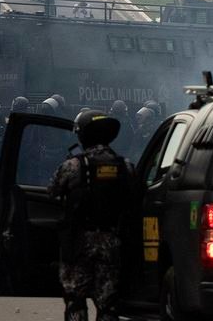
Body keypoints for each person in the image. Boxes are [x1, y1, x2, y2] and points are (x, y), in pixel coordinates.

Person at [49, 110, 135, 321]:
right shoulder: (126, 166)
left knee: (75, 302)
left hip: (78, 244)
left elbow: (52, 192)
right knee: (108, 304)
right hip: (112, 242)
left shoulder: (73, 166)